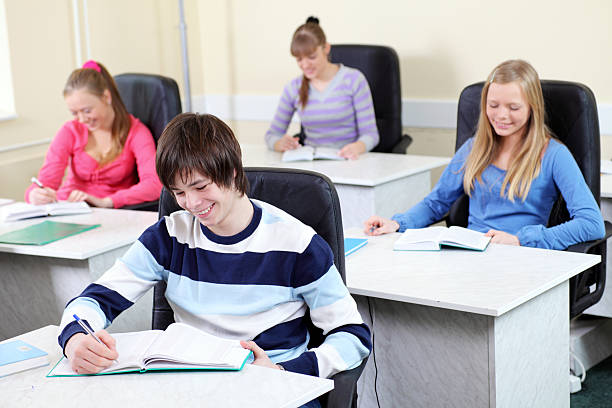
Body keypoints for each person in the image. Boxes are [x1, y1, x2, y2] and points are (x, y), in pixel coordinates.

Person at [57, 113, 371, 406]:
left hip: (272, 390)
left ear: (233, 171)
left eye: (200, 186)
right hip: (192, 389)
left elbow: (353, 335)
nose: (191, 203)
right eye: (179, 193)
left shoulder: (297, 244)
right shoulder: (169, 236)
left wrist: (283, 371)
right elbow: (94, 300)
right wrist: (75, 339)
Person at [364, 59, 605, 250]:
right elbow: (436, 203)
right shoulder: (473, 148)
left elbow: (592, 224)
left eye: (513, 107)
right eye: (493, 105)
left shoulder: (553, 154)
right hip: (471, 254)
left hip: (522, 256)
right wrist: (398, 223)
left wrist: (521, 239)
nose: (501, 115)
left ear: (533, 108)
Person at [25, 60, 162, 208]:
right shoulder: (70, 131)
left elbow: (154, 185)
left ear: (106, 97)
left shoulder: (136, 132)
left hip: (111, 213)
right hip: (69, 209)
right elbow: (45, 182)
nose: (82, 119)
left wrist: (108, 201)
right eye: (74, 113)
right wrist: (35, 194)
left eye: (87, 110)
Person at [265, 16, 379, 160]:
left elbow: (371, 135)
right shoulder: (294, 88)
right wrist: (279, 143)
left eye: (311, 57)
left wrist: (357, 147)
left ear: (326, 48)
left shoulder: (354, 80)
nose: (305, 65)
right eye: (299, 59)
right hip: (312, 165)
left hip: (349, 161)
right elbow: (271, 136)